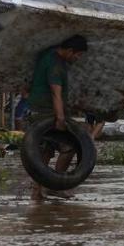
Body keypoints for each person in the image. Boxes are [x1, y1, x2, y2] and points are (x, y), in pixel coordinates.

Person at [27, 35, 88, 200]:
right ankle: (56, 185)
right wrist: (60, 118)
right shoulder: (55, 66)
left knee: (44, 152)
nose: (77, 58)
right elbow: (56, 93)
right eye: (77, 55)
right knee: (69, 146)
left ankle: (38, 191)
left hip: (37, 108)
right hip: (47, 111)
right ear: (69, 51)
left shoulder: (49, 54)